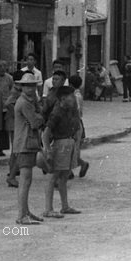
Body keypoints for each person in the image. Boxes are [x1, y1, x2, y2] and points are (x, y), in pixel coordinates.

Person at [42, 86, 82, 218]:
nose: (73, 99)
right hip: (60, 145)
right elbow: (46, 132)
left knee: (64, 177)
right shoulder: (57, 112)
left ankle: (65, 206)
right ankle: (48, 208)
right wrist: (47, 150)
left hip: (69, 144)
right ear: (63, 98)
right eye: (71, 96)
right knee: (53, 177)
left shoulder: (70, 110)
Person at [13, 72, 45, 225]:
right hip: (24, 143)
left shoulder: (29, 101)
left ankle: (25, 212)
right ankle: (21, 215)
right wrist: (40, 116)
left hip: (28, 142)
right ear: (22, 87)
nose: (30, 88)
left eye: (32, 85)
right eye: (27, 86)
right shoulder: (25, 103)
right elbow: (35, 122)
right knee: (25, 180)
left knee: (27, 180)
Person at [68, 74, 90, 178]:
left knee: (72, 148)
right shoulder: (77, 95)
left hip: (74, 123)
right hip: (77, 122)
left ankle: (80, 165)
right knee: (72, 148)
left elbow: (75, 111)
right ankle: (70, 170)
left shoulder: (75, 96)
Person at [0, 60, 14, 157]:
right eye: (0, 66)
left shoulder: (9, 78)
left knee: (3, 130)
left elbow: (12, 91)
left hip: (5, 107)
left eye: (4, 66)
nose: (2, 68)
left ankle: (1, 149)